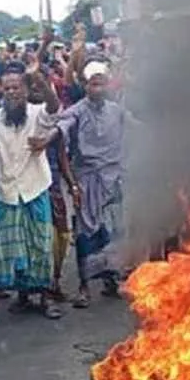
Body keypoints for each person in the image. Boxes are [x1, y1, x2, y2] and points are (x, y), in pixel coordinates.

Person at [0, 63, 62, 318]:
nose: (12, 92)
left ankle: (45, 299)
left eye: (17, 87)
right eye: (7, 89)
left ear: (26, 90)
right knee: (1, 248)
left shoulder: (38, 113)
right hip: (6, 192)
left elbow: (54, 108)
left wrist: (42, 82)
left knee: (40, 246)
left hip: (35, 189)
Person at [49, 60, 130, 307]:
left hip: (113, 179)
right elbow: (62, 126)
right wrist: (47, 138)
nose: (98, 89)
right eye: (93, 84)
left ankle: (111, 280)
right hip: (86, 179)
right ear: (86, 87)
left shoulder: (117, 111)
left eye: (102, 84)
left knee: (113, 232)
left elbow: (137, 126)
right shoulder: (77, 110)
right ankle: (84, 286)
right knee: (86, 233)